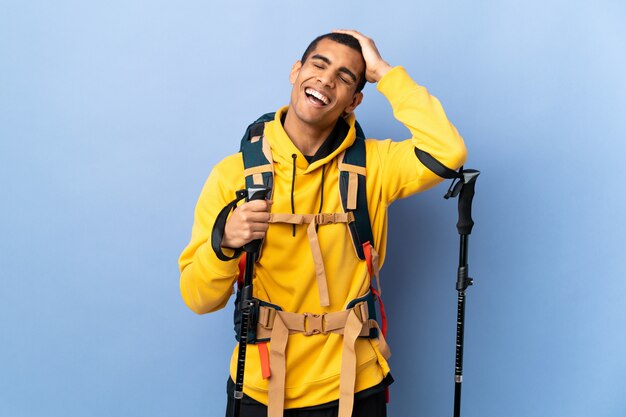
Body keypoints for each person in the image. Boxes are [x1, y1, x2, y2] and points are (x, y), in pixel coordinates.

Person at [179, 29, 467, 417]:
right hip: (261, 388)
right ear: (296, 72)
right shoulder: (233, 176)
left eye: (346, 78)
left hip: (356, 381)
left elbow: (449, 153)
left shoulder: (374, 166)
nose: (327, 79)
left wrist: (384, 72)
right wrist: (224, 242)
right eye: (318, 64)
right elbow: (199, 298)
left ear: (354, 102)